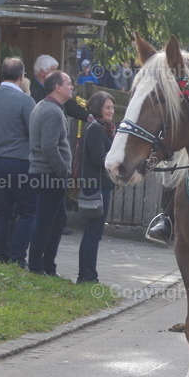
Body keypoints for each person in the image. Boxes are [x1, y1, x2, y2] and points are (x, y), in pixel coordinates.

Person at [0, 57, 37, 268]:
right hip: (21, 162)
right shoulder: (25, 101)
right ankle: (17, 256)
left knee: (1, 211)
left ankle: (1, 256)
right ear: (22, 76)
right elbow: (34, 133)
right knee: (27, 211)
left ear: (2, 74)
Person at [27, 70, 74, 276]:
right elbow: (49, 146)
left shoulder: (43, 106)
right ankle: (37, 266)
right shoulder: (52, 111)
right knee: (46, 221)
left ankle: (47, 265)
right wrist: (63, 170)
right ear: (58, 87)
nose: (72, 87)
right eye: (69, 83)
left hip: (43, 173)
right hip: (49, 175)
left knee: (58, 220)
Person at [76, 91, 116, 284]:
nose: (111, 111)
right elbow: (99, 159)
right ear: (98, 107)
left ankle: (86, 274)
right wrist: (117, 161)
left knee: (94, 231)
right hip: (96, 186)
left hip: (103, 185)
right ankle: (87, 275)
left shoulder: (104, 128)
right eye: (108, 107)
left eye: (113, 108)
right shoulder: (96, 129)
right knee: (93, 231)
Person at [30, 54, 89, 122]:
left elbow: (71, 106)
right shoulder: (31, 91)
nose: (56, 73)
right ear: (42, 72)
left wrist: (89, 116)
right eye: (53, 70)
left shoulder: (55, 87)